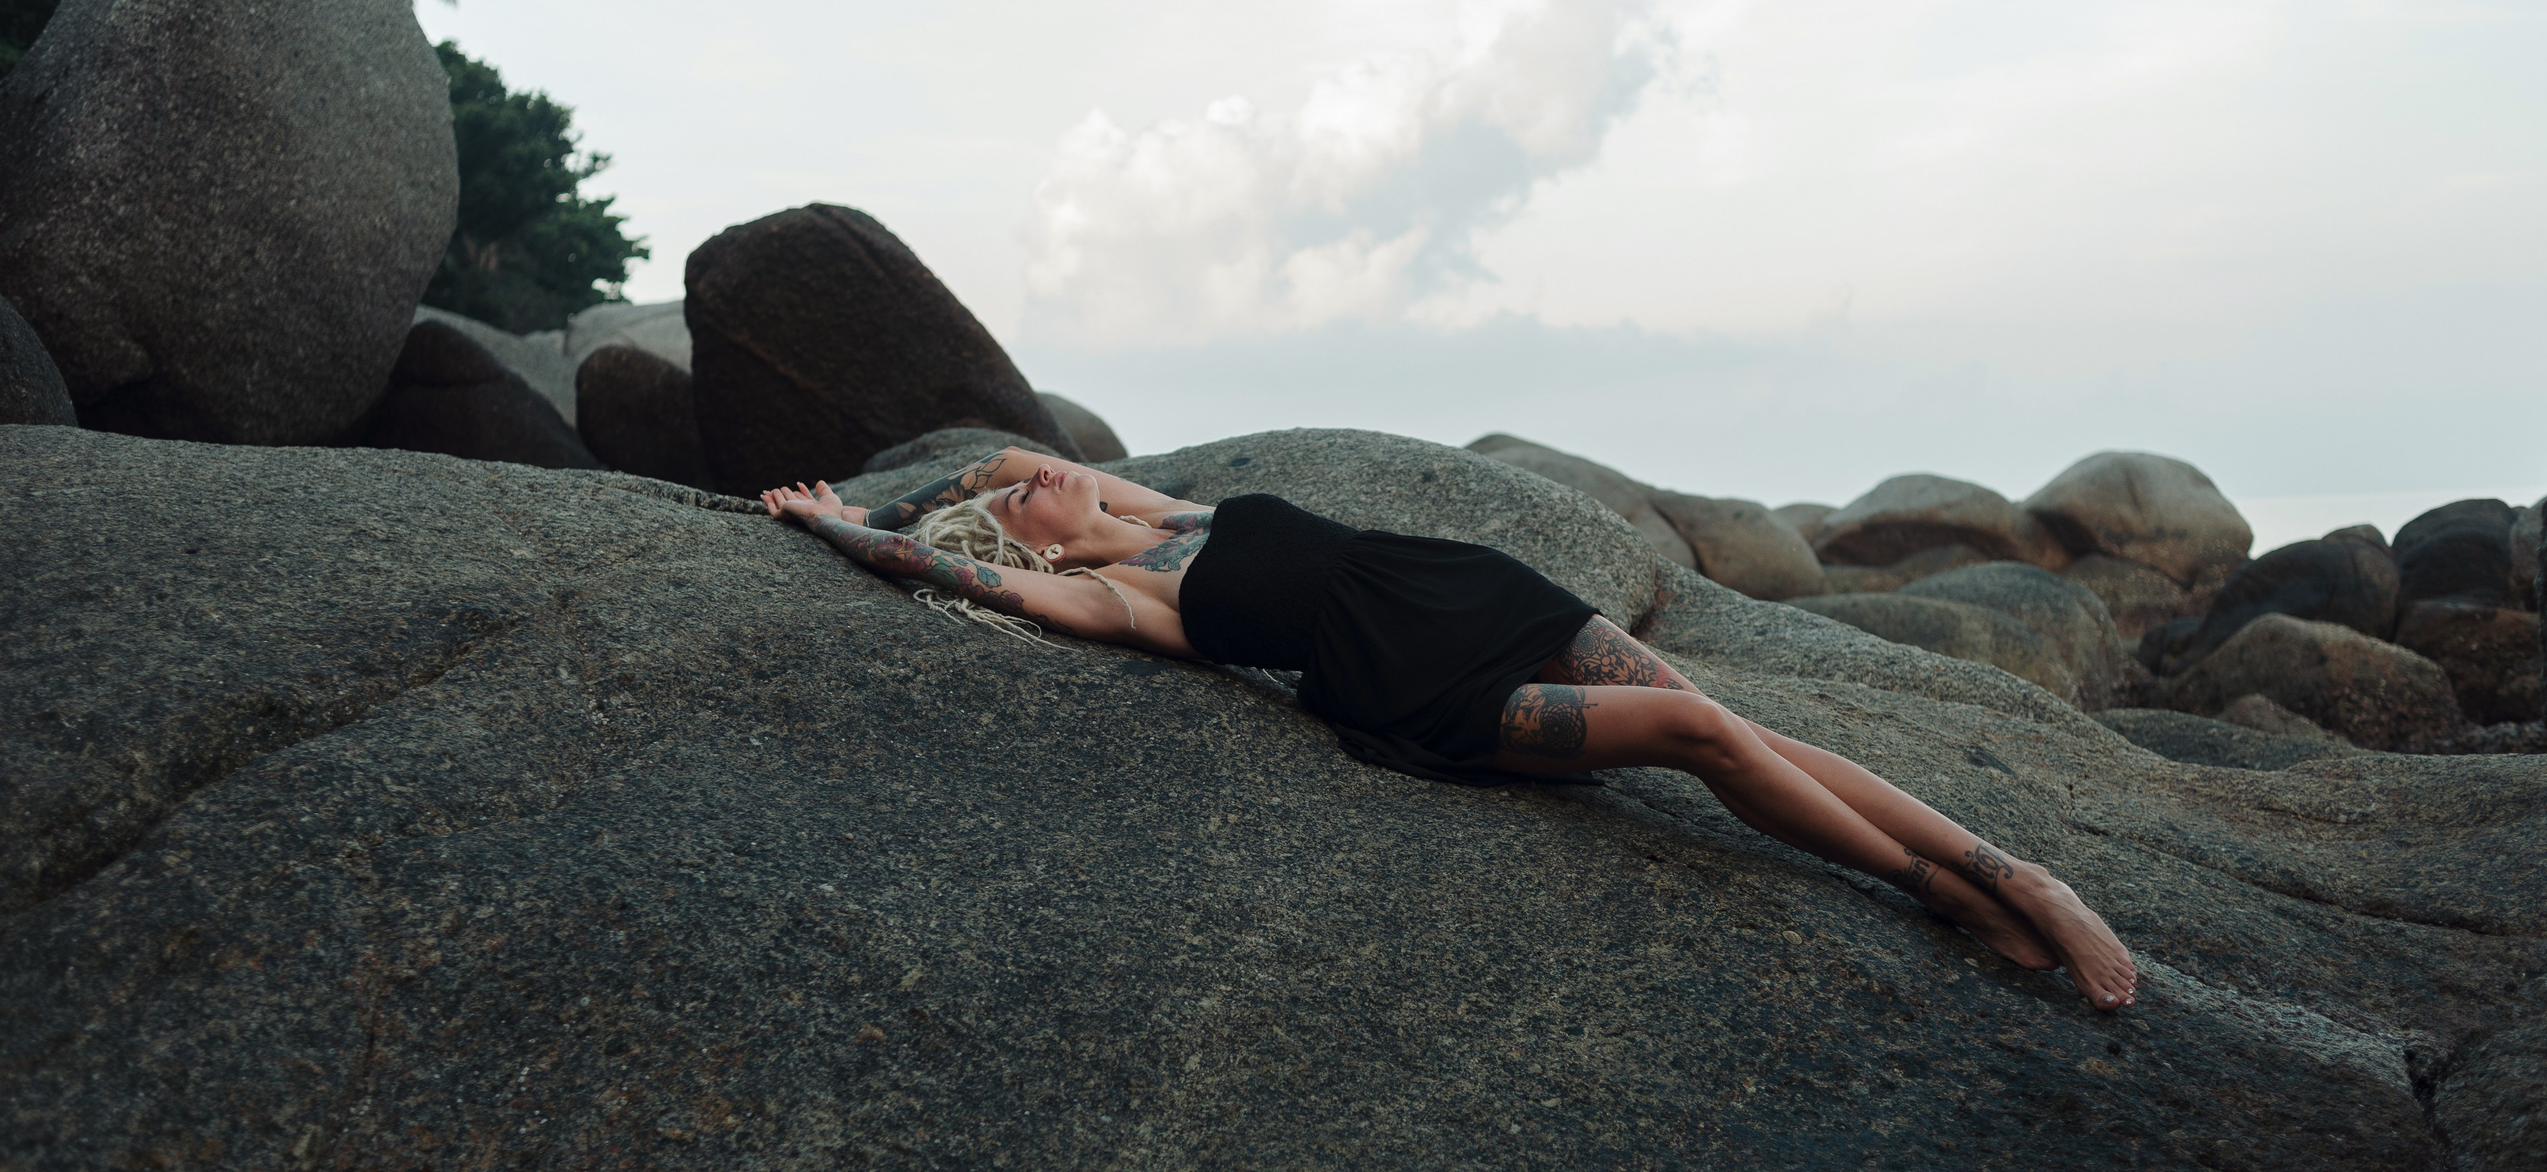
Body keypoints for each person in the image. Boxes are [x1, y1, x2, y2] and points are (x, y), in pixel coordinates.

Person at [760, 445, 2138, 1012]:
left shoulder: (1150, 507)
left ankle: (2012, 870)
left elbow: (963, 487)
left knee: (1721, 710)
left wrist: (899, 493)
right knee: (1695, 738)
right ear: (1024, 553)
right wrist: (849, 533)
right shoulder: (1125, 600)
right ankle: (1930, 890)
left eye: (1020, 466)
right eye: (1012, 494)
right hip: (1426, 695)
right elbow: (949, 565)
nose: (1028, 472)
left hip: (1472, 592)